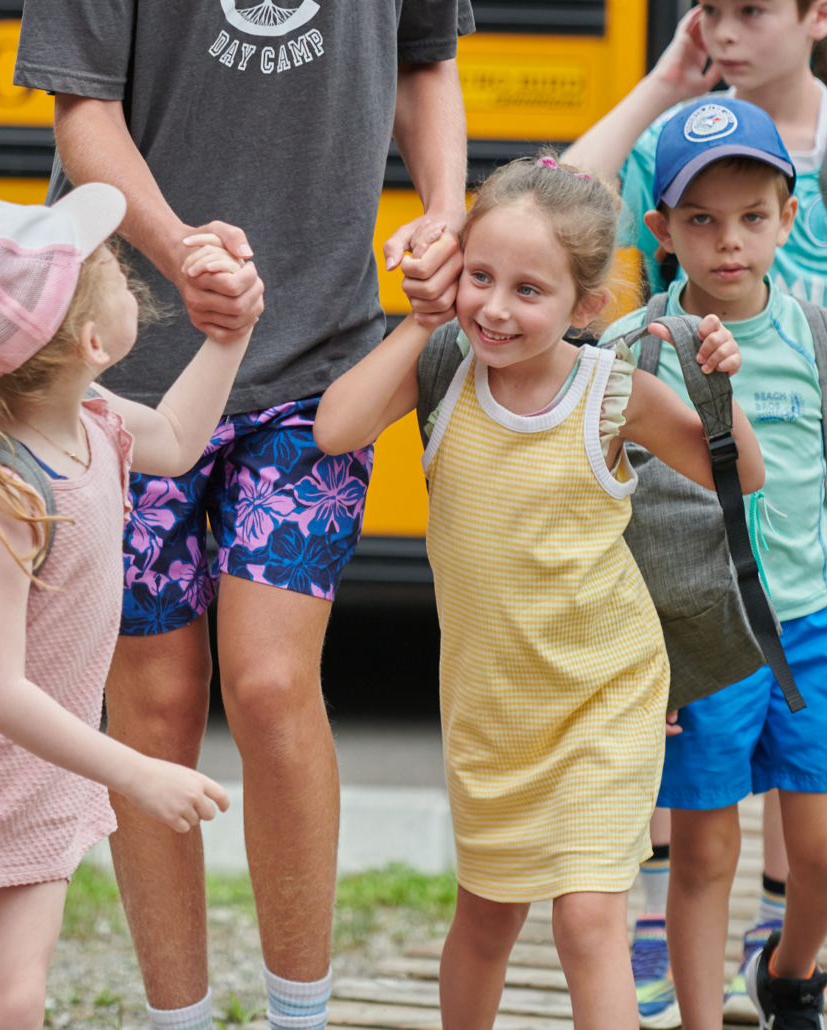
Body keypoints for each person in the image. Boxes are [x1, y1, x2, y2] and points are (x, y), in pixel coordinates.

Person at [13, 5, 473, 1029]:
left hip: (319, 362)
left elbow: (424, 62)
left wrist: (444, 211)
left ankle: (298, 1017)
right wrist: (181, 251)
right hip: (124, 358)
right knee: (156, 702)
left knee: (270, 686)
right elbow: (83, 111)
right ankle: (177, 1017)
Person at [313, 155, 763, 1030]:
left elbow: (737, 474)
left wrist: (718, 394)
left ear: (583, 308)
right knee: (486, 920)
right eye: (479, 276)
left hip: (605, 698)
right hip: (491, 714)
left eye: (528, 290)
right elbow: (336, 428)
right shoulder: (443, 369)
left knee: (587, 922)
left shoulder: (611, 392)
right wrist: (421, 319)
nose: (493, 307)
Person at [0, 184, 252, 1030]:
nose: (128, 274)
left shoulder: (92, 421)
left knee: (12, 1005)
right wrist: (135, 772)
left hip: (36, 786)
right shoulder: (2, 490)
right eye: (113, 270)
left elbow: (177, 441)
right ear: (92, 342)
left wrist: (231, 334)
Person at [564, 4, 827, 1023]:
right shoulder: (629, 349)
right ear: (660, 230)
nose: (727, 243)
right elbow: (595, 506)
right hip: (701, 635)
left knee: (822, 853)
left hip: (810, 620)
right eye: (700, 221)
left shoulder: (817, 336)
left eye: (751, 218)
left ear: (787, 218)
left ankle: (787, 972)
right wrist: (636, 652)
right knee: (704, 849)